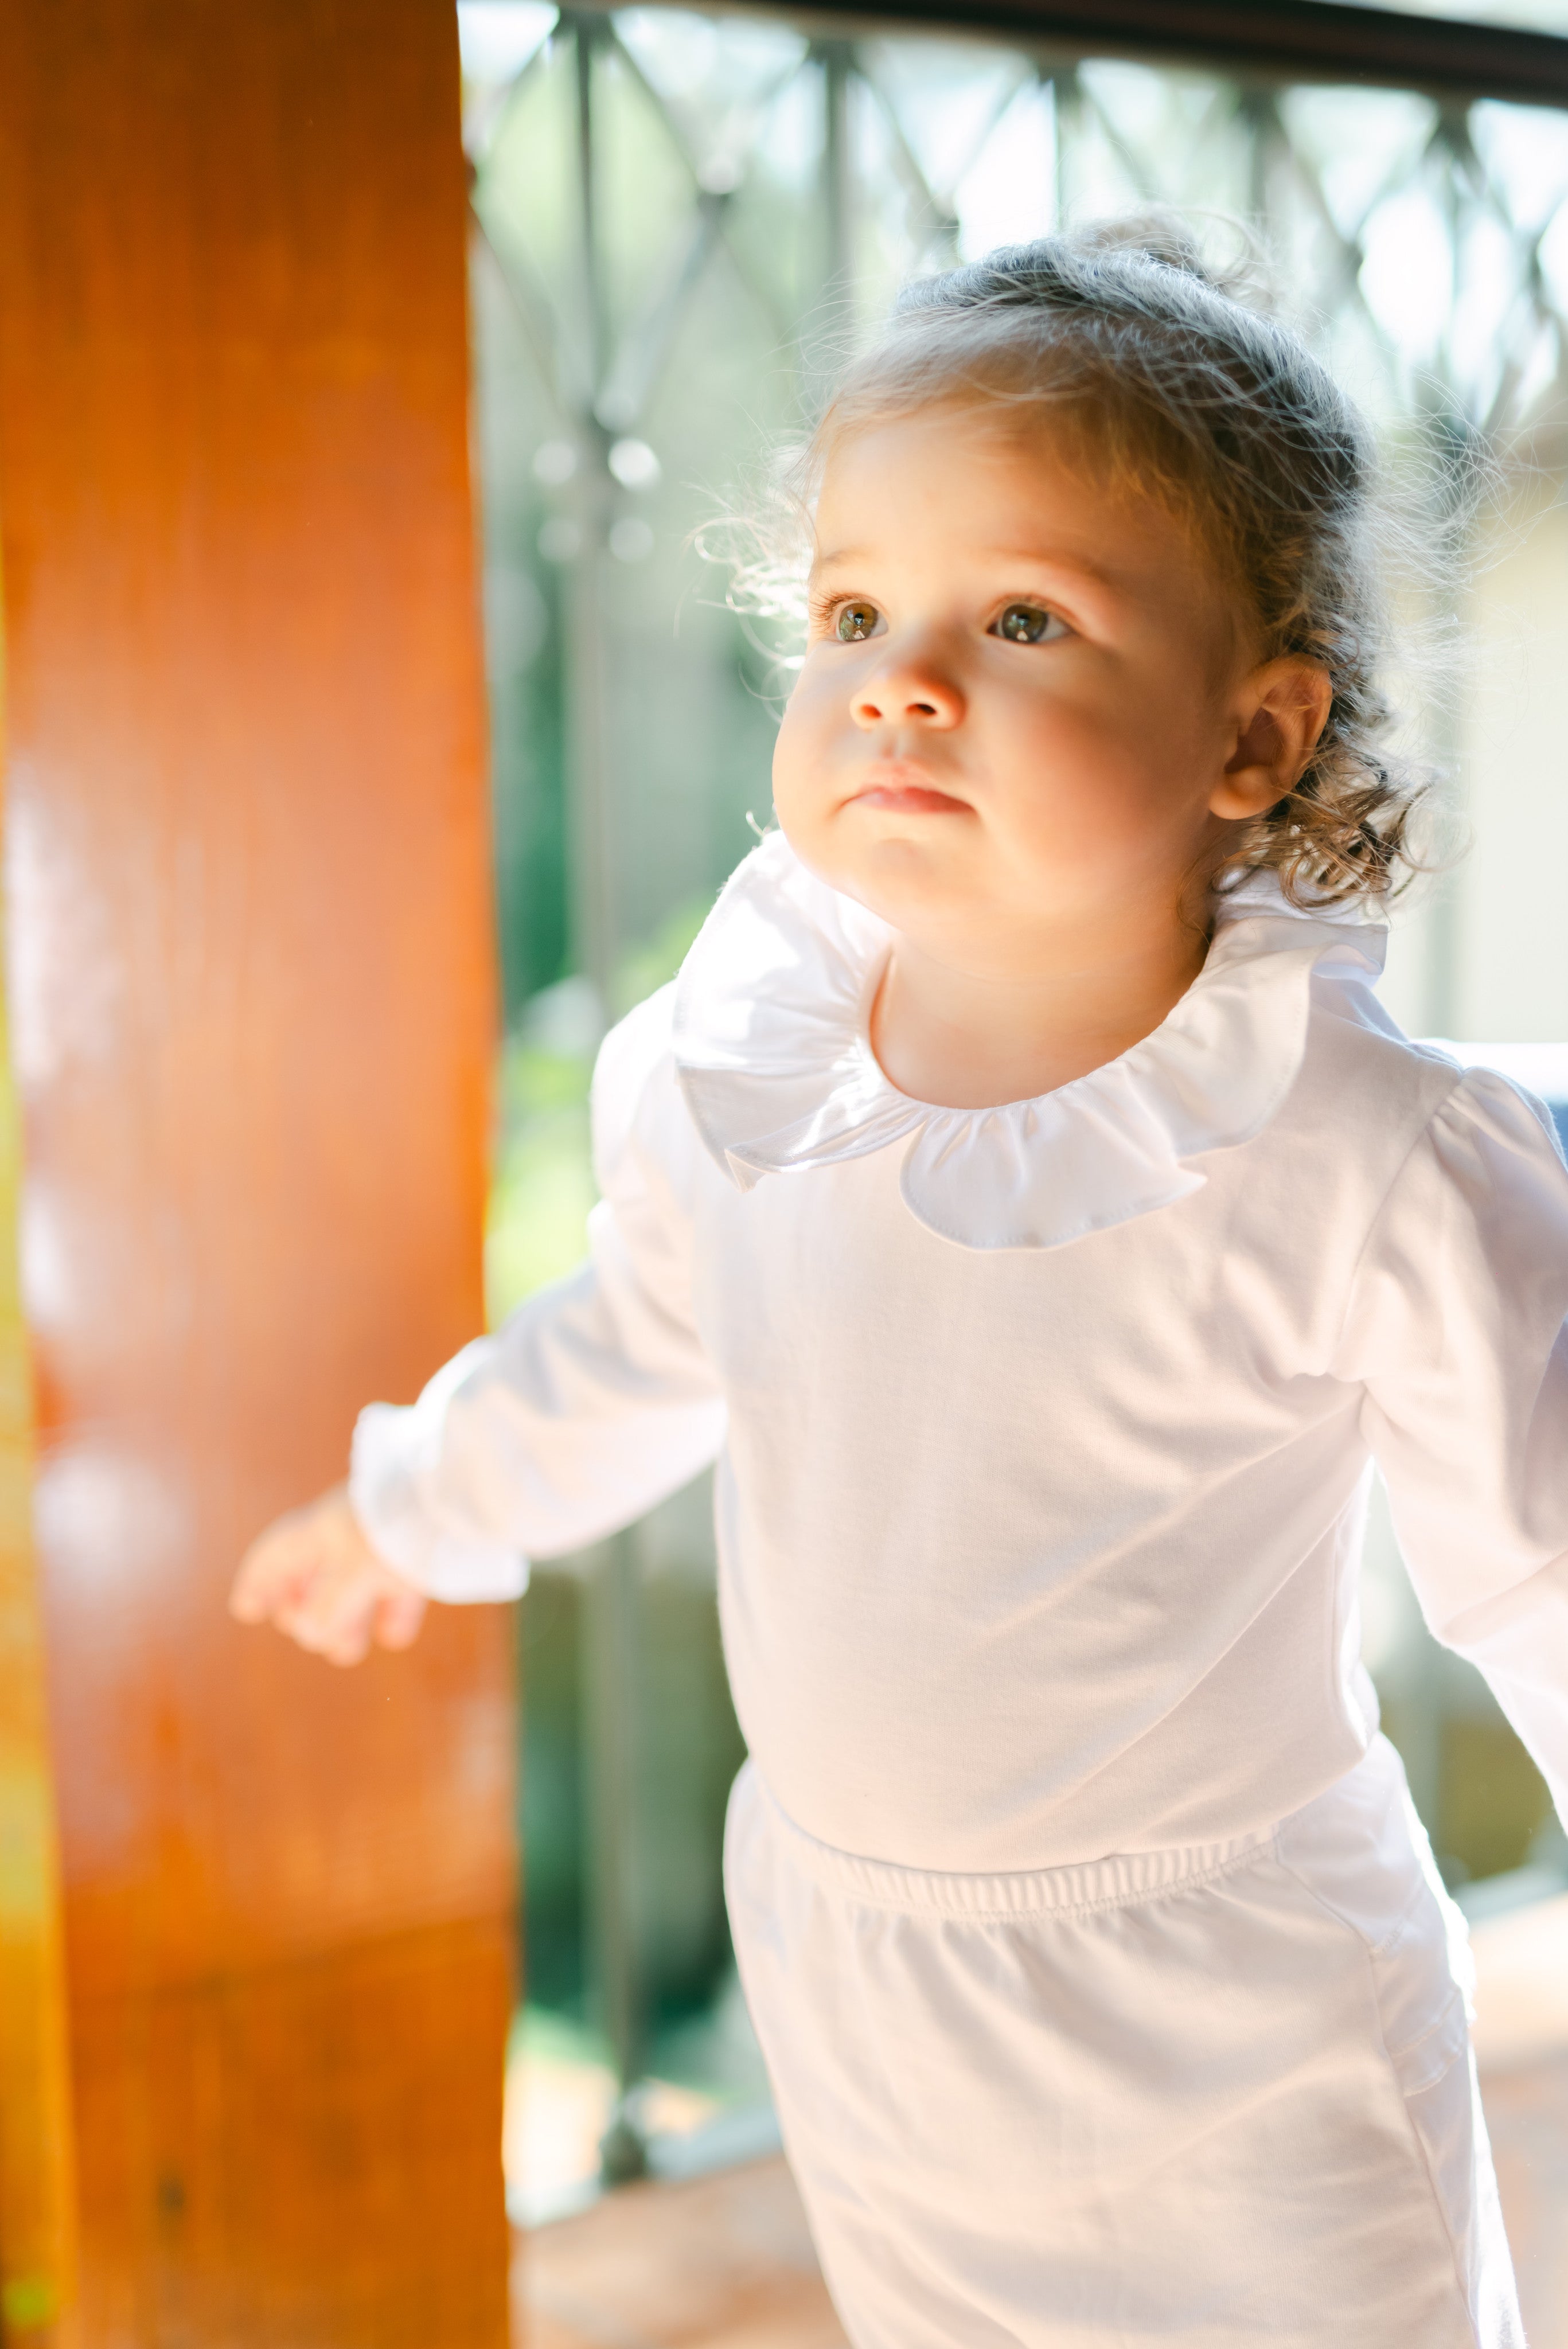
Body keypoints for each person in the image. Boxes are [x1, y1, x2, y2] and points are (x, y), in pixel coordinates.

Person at [230, 220, 1566, 2347]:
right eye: (855, 610)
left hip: (1242, 2022)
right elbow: (642, 1347)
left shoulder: (1354, 1152)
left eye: (1021, 618)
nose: (902, 680)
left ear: (1253, 735)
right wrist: (421, 1499)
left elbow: (1545, 1576)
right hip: (876, 1995)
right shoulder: (747, 1088)